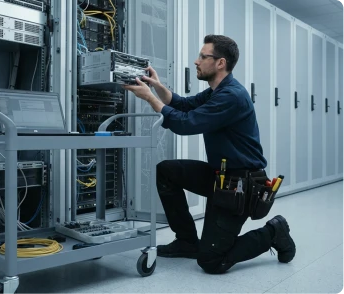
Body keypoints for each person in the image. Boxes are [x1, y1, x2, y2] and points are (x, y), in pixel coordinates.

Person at [122, 34, 296, 274]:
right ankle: (186, 241)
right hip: (221, 177)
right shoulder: (217, 91)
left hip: (242, 186)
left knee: (212, 261)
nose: (196, 61)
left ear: (220, 63)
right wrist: (157, 86)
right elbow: (183, 105)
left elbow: (186, 124)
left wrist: (150, 98)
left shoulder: (231, 96)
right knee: (167, 171)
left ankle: (274, 231)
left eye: (203, 56)